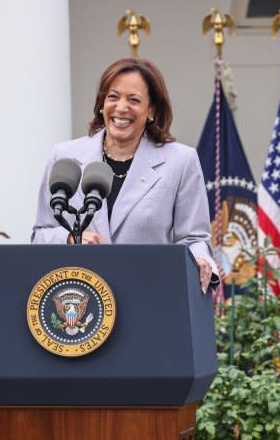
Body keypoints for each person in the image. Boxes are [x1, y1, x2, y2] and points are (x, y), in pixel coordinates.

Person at [31, 58, 217, 292]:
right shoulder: (65, 156)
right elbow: (41, 234)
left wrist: (199, 261)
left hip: (148, 295)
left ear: (151, 110)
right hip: (79, 300)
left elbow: (194, 238)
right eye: (113, 97)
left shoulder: (180, 161)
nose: (121, 107)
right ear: (101, 103)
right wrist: (70, 238)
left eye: (134, 100)